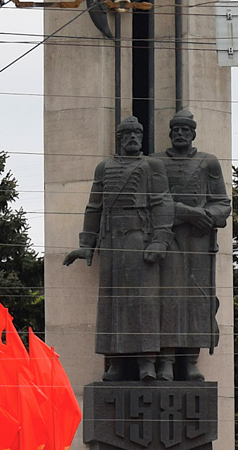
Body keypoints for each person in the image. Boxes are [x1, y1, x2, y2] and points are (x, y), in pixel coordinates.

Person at [63, 116, 173, 381]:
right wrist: (86, 245)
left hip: (139, 238)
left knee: (143, 301)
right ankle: (116, 363)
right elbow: (94, 207)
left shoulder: (152, 165)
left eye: (137, 133)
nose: (133, 138)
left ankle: (147, 362)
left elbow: (162, 203)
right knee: (113, 304)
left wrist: (160, 239)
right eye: (128, 134)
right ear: (120, 139)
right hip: (111, 242)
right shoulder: (105, 167)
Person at [154, 110, 230, 381]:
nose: (181, 134)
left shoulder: (208, 162)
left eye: (186, 130)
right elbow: (153, 202)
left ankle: (191, 360)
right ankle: (165, 360)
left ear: (193, 133)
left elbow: (222, 202)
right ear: (170, 133)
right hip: (168, 236)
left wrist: (207, 216)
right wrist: (187, 212)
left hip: (198, 240)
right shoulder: (155, 162)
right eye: (176, 130)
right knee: (168, 298)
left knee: (198, 298)